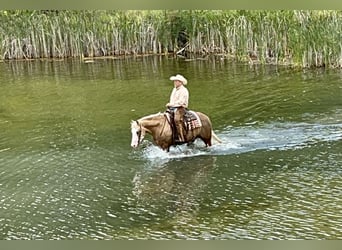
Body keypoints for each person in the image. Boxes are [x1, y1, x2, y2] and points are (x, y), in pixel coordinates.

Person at [166, 74, 189, 143]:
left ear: (180, 82)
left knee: (177, 119)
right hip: (172, 108)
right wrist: (170, 105)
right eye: (174, 81)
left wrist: (171, 104)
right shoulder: (174, 90)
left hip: (181, 108)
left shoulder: (184, 90)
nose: (174, 82)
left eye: (176, 81)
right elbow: (172, 100)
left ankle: (181, 137)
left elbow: (181, 102)